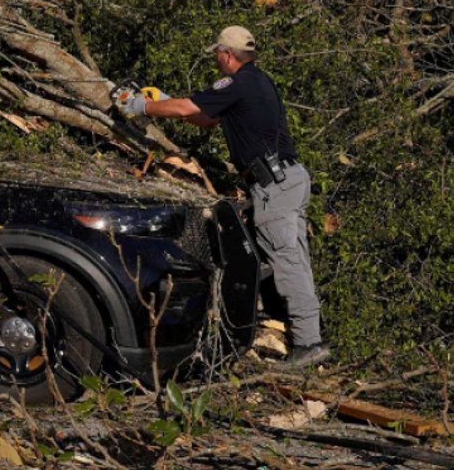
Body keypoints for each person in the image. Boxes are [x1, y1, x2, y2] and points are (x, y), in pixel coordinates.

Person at [118, 26, 329, 368]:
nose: (216, 60)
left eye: (217, 54)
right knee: (293, 259)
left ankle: (309, 343)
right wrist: (159, 102)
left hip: (274, 184)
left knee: (287, 261)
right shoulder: (255, 82)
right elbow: (204, 118)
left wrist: (141, 106)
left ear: (228, 55)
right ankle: (311, 338)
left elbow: (188, 109)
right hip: (284, 180)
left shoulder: (237, 82)